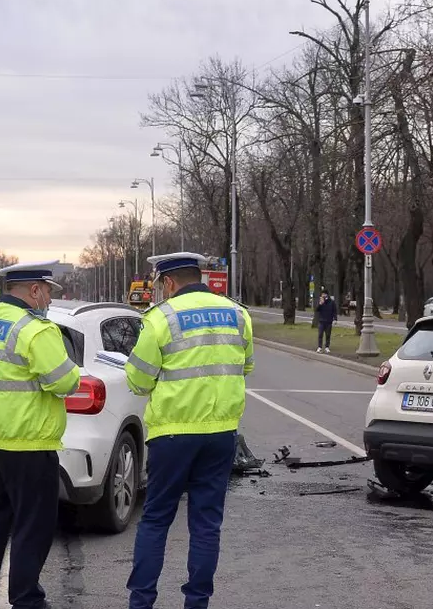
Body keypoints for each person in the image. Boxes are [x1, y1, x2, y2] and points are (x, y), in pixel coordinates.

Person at [124, 252, 254, 609]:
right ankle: (197, 602)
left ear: (168, 282)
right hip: (222, 434)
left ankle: (142, 602)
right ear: (200, 277)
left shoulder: (160, 318)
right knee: (206, 524)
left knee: (155, 520)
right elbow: (246, 366)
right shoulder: (237, 314)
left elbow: (137, 378)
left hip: (173, 434)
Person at [0, 261, 82, 609]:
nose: (48, 300)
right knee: (33, 527)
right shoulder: (37, 331)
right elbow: (64, 381)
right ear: (33, 290)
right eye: (46, 291)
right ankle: (26, 599)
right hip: (29, 442)